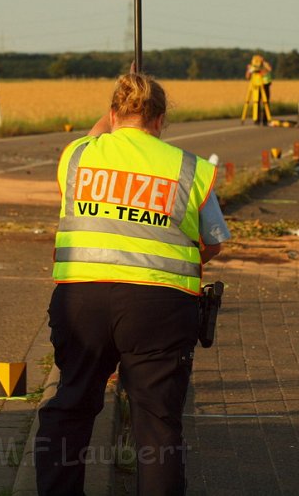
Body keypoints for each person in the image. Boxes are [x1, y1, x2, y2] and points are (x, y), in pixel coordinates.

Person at [35, 70, 231, 496]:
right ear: (160, 120)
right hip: (159, 308)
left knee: (70, 406)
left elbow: (96, 135)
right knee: (157, 425)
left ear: (112, 113)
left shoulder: (79, 156)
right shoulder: (187, 169)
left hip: (81, 301)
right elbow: (213, 243)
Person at [245, 54, 273, 125]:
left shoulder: (265, 66)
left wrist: (262, 67)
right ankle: (256, 119)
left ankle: (265, 120)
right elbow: (247, 77)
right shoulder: (252, 67)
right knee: (256, 102)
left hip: (265, 85)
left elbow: (269, 70)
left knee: (265, 103)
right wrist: (250, 70)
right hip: (255, 86)